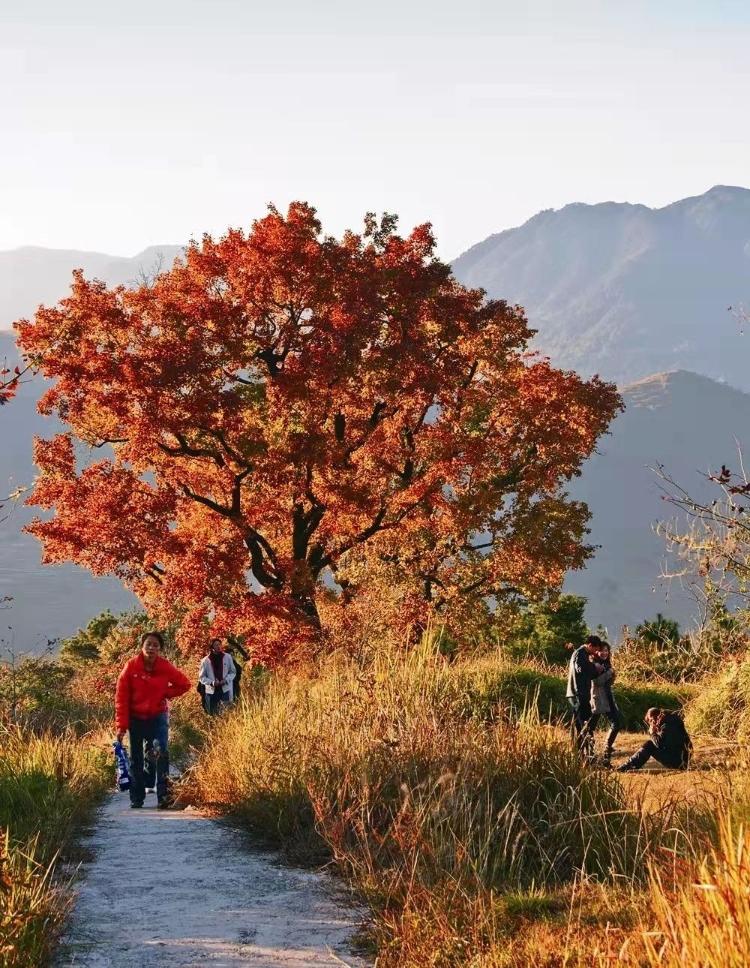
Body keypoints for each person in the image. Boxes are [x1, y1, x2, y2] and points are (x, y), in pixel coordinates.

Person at [115, 631, 191, 809]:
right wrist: (121, 726)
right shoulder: (131, 667)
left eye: (155, 645)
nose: (151, 648)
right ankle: (137, 797)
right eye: (148, 644)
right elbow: (121, 698)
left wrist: (166, 693)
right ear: (142, 646)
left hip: (157, 716)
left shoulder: (165, 666)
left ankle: (164, 796)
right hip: (136, 717)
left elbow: (184, 684)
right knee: (136, 758)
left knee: (161, 752)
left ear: (160, 649)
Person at [618, 707, 693, 772]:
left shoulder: (667, 723)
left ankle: (627, 767)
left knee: (649, 745)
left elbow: (659, 743)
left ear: (653, 719)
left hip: (679, 761)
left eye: (650, 722)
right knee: (650, 744)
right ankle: (628, 766)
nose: (652, 724)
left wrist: (653, 733)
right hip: (682, 757)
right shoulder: (669, 719)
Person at [583, 642, 622, 766]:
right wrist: (609, 673)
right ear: (596, 651)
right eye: (602, 651)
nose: (605, 653)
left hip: (608, 698)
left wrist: (611, 675)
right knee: (590, 727)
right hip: (598, 699)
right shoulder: (593, 664)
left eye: (607, 650)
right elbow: (596, 681)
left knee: (617, 722)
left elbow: (607, 682)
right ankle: (590, 756)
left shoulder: (606, 664)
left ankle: (606, 753)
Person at [566, 634, 603, 755]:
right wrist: (595, 667)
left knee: (583, 725)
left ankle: (584, 753)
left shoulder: (583, 654)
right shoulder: (580, 654)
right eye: (595, 649)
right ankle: (585, 754)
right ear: (590, 645)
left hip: (580, 694)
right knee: (583, 725)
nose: (595, 652)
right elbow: (581, 670)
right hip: (578, 694)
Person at [198, 638, 236, 715]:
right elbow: (202, 677)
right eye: (216, 645)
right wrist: (211, 682)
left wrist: (225, 680)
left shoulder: (227, 657)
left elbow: (233, 672)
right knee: (213, 713)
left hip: (225, 689)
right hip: (211, 691)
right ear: (212, 647)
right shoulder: (205, 660)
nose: (218, 646)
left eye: (219, 644)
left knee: (226, 713)